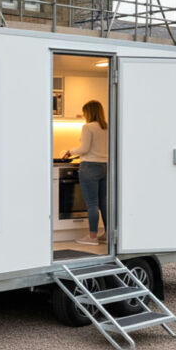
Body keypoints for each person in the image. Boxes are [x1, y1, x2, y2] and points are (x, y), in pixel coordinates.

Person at [64, 100, 108, 246]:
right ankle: (107, 234)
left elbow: (84, 148)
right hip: (105, 167)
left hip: (89, 167)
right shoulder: (107, 127)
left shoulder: (87, 127)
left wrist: (70, 152)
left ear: (89, 112)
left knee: (92, 203)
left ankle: (92, 237)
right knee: (104, 203)